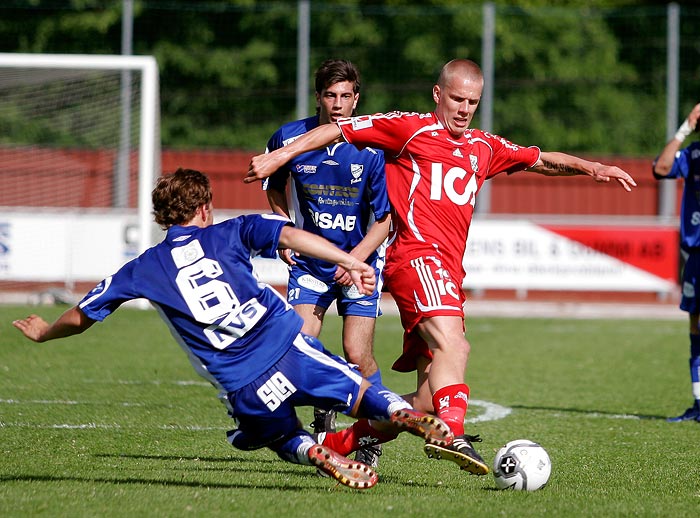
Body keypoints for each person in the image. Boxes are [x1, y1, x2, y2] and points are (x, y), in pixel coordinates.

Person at [246, 58, 637, 475]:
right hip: (416, 258)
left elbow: (540, 159)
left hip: (448, 271)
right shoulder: (410, 129)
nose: (464, 109)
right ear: (438, 95)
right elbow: (338, 128)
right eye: (457, 99)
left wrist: (591, 167)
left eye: (472, 101)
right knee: (456, 346)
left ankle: (341, 442)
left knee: (426, 400)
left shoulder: (484, 147)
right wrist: (278, 157)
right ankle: (453, 434)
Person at [11, 168, 453, 490]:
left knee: (277, 435)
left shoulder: (142, 268)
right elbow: (290, 236)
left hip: (240, 383)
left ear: (163, 217)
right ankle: (397, 411)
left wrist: (46, 331)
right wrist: (352, 261)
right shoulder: (230, 232)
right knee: (360, 392)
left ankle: (320, 454)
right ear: (204, 207)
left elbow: (83, 316)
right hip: (287, 348)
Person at [262, 60, 391, 468]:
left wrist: (353, 261)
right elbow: (274, 187)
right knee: (301, 342)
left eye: (346, 97)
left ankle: (371, 431)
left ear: (357, 99)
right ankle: (325, 405)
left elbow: (385, 220)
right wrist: (285, 229)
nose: (338, 105)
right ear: (318, 96)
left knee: (357, 350)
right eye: (330, 96)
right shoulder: (289, 138)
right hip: (310, 263)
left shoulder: (372, 148)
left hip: (361, 260)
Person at [653, 102, 700, 423]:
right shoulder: (694, 154)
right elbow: (661, 168)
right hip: (696, 256)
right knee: (695, 325)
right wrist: (685, 128)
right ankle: (698, 404)